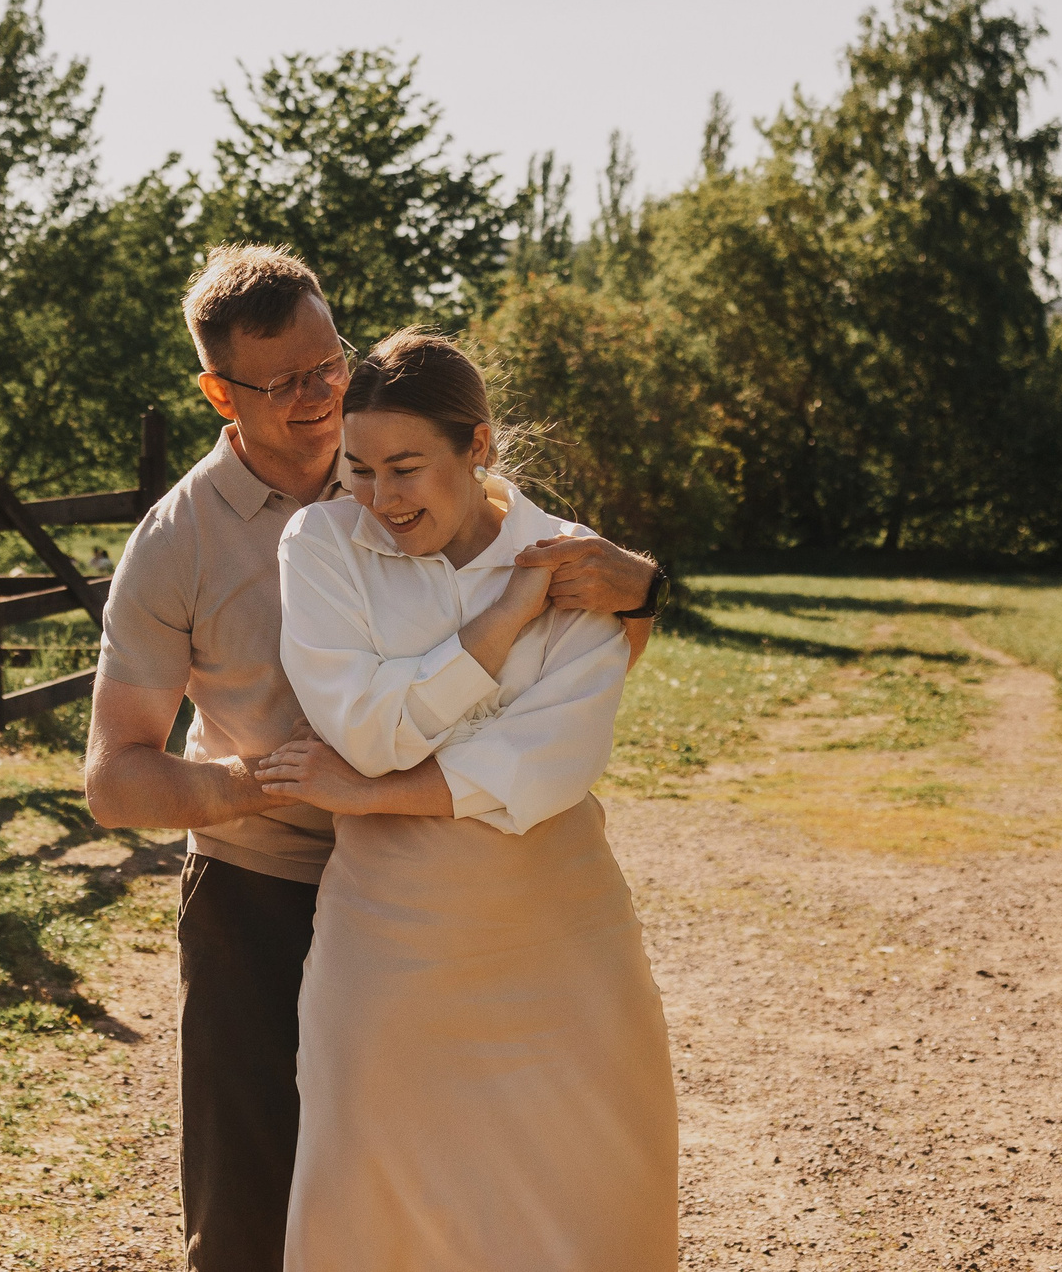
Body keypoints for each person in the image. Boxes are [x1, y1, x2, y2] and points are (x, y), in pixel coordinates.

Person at [83, 248, 662, 1272]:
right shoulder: (178, 542)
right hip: (260, 890)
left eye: (327, 364)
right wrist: (263, 784)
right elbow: (115, 774)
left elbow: (572, 659)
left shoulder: (403, 451)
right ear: (219, 393)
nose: (319, 395)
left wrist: (646, 591)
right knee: (254, 1210)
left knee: (444, 1198)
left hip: (440, 891)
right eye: (285, 384)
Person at [256, 329, 677, 1271]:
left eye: (407, 467)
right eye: (359, 468)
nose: (381, 498)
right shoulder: (322, 543)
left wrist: (372, 792)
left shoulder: (576, 560)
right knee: (377, 1207)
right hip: (388, 948)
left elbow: (551, 759)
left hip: (562, 943)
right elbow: (363, 727)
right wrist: (503, 620)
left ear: (477, 446)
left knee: (590, 1204)